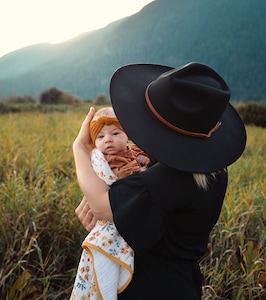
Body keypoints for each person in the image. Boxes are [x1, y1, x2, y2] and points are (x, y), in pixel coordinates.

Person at [73, 62, 246, 299]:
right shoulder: (213, 170)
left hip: (149, 285)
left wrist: (81, 149)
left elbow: (102, 207)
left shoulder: (166, 179)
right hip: (182, 283)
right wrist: (121, 213)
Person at [70, 107, 154, 299]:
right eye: (100, 137)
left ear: (128, 136)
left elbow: (102, 206)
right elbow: (114, 180)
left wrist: (79, 147)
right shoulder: (103, 161)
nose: (108, 140)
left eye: (115, 133)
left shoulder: (134, 151)